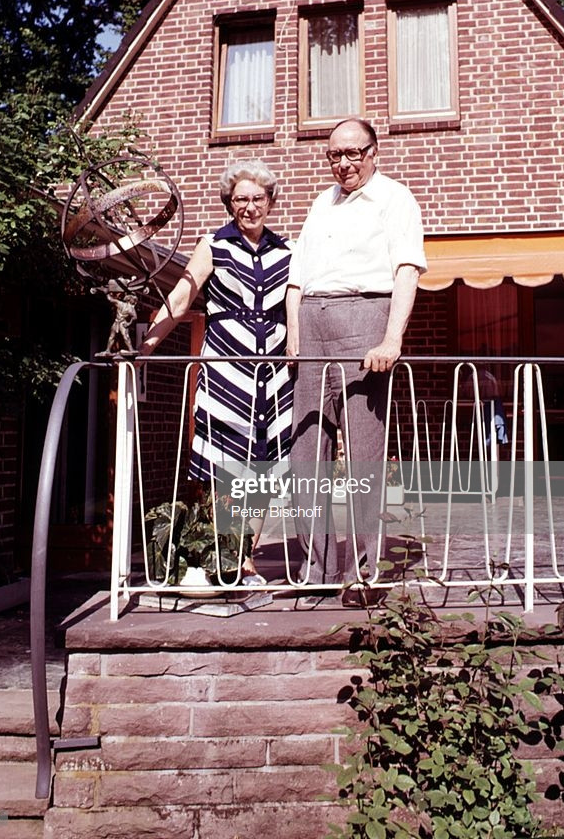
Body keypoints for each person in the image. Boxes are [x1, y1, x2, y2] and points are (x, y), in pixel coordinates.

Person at [285, 117, 426, 594]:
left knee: (364, 452)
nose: (342, 163)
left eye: (352, 153)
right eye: (334, 155)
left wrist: (392, 340)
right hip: (312, 324)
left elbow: (407, 270)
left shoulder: (395, 198)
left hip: (364, 319)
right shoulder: (321, 204)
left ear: (372, 152)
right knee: (307, 450)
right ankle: (315, 572)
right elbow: (297, 276)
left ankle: (364, 572)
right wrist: (293, 331)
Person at [140, 160, 293, 583]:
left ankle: (246, 558)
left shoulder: (287, 250)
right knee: (225, 462)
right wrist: (147, 344)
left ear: (270, 202)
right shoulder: (213, 244)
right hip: (226, 364)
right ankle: (225, 551)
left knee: (263, 462)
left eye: (257, 198)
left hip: (273, 371)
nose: (249, 207)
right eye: (240, 199)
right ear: (229, 203)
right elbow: (183, 294)